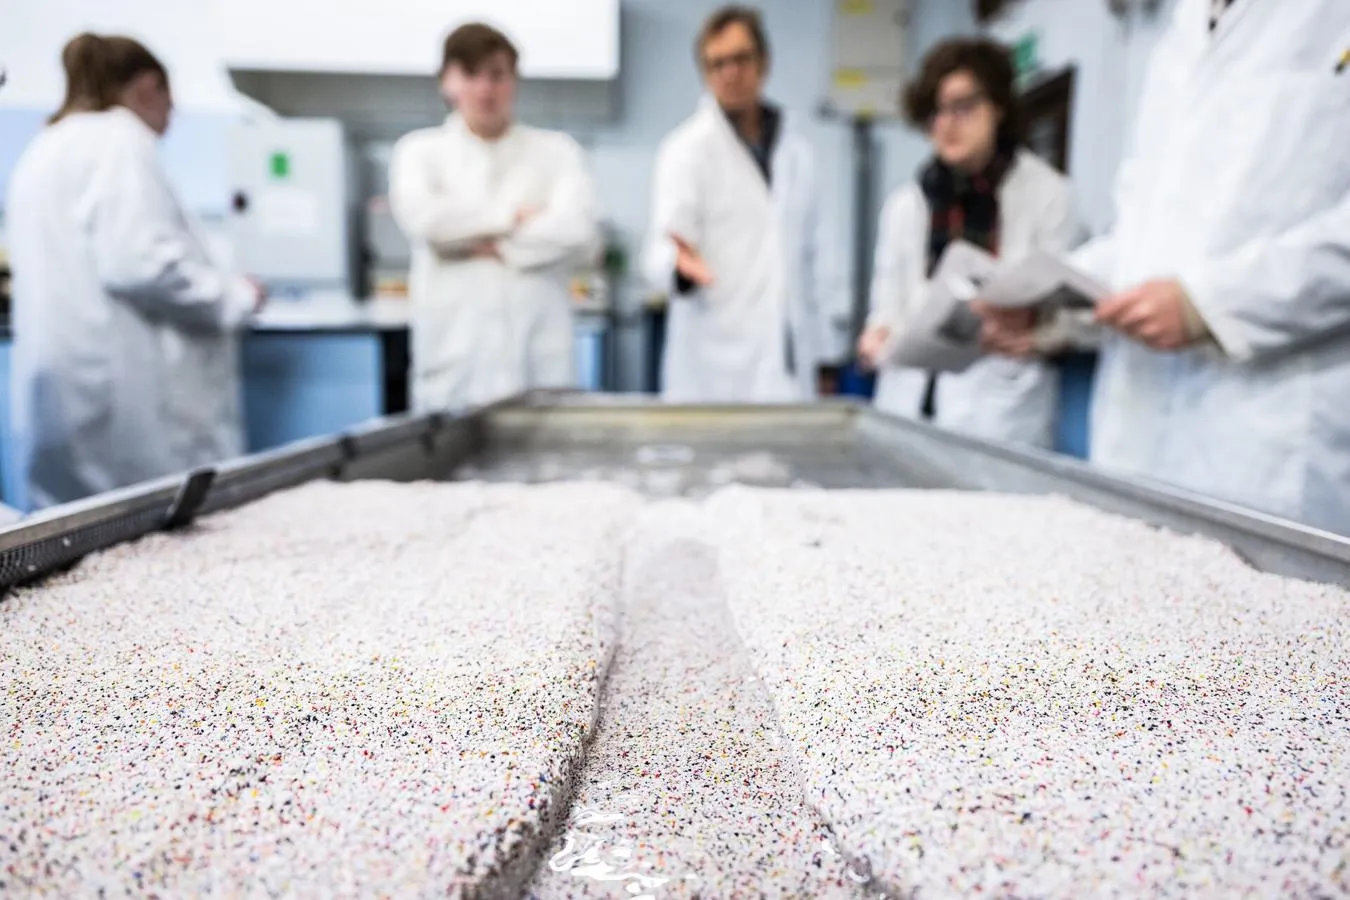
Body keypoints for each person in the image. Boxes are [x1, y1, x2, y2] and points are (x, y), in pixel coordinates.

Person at [980, 0, 1350, 533]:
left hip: (1276, 430)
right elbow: (1143, 240)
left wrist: (1210, 305)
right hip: (1138, 422)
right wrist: (1048, 298)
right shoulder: (1178, 33)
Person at [6, 33, 264, 512]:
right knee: (144, 536)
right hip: (125, 387)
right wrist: (235, 296)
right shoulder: (121, 140)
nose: (171, 116)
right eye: (170, 101)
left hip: (65, 382)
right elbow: (142, 264)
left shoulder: (47, 146)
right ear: (149, 87)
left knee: (71, 540)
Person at [856, 38, 1085, 449]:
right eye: (935, 112)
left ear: (997, 106)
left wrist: (1037, 338)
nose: (946, 124)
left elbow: (1081, 315)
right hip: (909, 407)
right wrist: (877, 335)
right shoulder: (907, 204)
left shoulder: (1049, 196)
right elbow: (887, 305)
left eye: (962, 106)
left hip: (1003, 412)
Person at [388, 23, 600, 412]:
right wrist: (511, 218)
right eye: (471, 75)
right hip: (456, 374)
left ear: (514, 80)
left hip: (540, 368)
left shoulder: (557, 152)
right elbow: (427, 222)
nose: (485, 89)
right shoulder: (419, 152)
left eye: (497, 75)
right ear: (446, 82)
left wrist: (482, 243)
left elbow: (575, 230)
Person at [641, 5, 844, 403]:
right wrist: (680, 267)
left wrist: (827, 356)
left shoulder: (797, 151)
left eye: (740, 59)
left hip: (789, 358)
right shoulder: (685, 152)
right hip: (714, 364)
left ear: (763, 62)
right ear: (705, 74)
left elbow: (821, 255)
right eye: (716, 64)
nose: (730, 73)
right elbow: (659, 252)